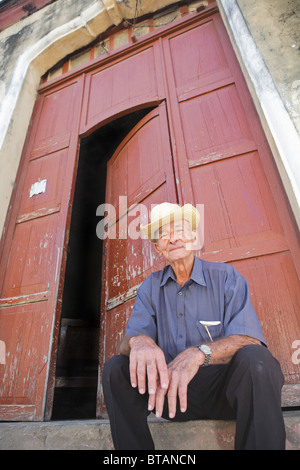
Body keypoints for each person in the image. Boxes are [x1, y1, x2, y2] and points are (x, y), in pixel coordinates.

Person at [102, 202, 286, 450]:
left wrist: (198, 353)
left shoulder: (227, 278)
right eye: (164, 235)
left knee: (258, 359)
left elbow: (249, 339)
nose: (173, 238)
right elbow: (129, 340)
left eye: (179, 229)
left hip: (223, 393)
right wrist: (140, 341)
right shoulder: (150, 287)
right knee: (116, 368)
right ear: (158, 247)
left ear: (194, 236)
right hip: (168, 395)